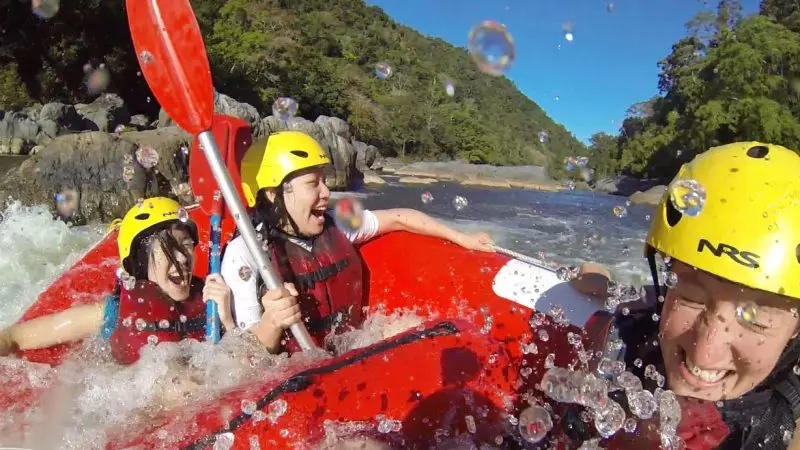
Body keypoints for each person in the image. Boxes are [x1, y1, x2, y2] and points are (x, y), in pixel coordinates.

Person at [561, 142, 800, 449]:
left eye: (756, 319)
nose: (705, 354)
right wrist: (597, 277)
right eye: (692, 297)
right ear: (668, 288)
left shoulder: (785, 422)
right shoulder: (637, 324)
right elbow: (621, 288)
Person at [220, 130, 496, 354]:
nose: (326, 192)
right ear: (272, 193)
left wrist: (462, 238)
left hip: (348, 350)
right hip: (294, 374)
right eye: (313, 183)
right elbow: (246, 357)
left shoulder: (336, 224)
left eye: (324, 181)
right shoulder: (245, 252)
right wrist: (272, 321)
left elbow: (399, 217)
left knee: (415, 329)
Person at [0, 197, 235, 365]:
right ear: (138, 263)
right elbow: (15, 337)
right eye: (169, 249)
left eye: (186, 245)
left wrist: (228, 322)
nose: (183, 257)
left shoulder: (215, 296)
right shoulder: (113, 313)